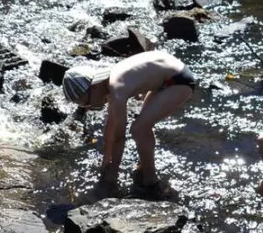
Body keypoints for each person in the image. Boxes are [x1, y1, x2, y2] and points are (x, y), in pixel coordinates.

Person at [62, 50, 196, 197]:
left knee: (139, 129)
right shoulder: (109, 83)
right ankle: (143, 169)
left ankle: (151, 182)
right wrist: (106, 158)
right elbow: (110, 125)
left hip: (178, 80)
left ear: (93, 87)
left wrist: (113, 175)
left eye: (87, 103)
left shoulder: (116, 89)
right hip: (166, 75)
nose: (90, 108)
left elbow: (120, 137)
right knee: (142, 126)